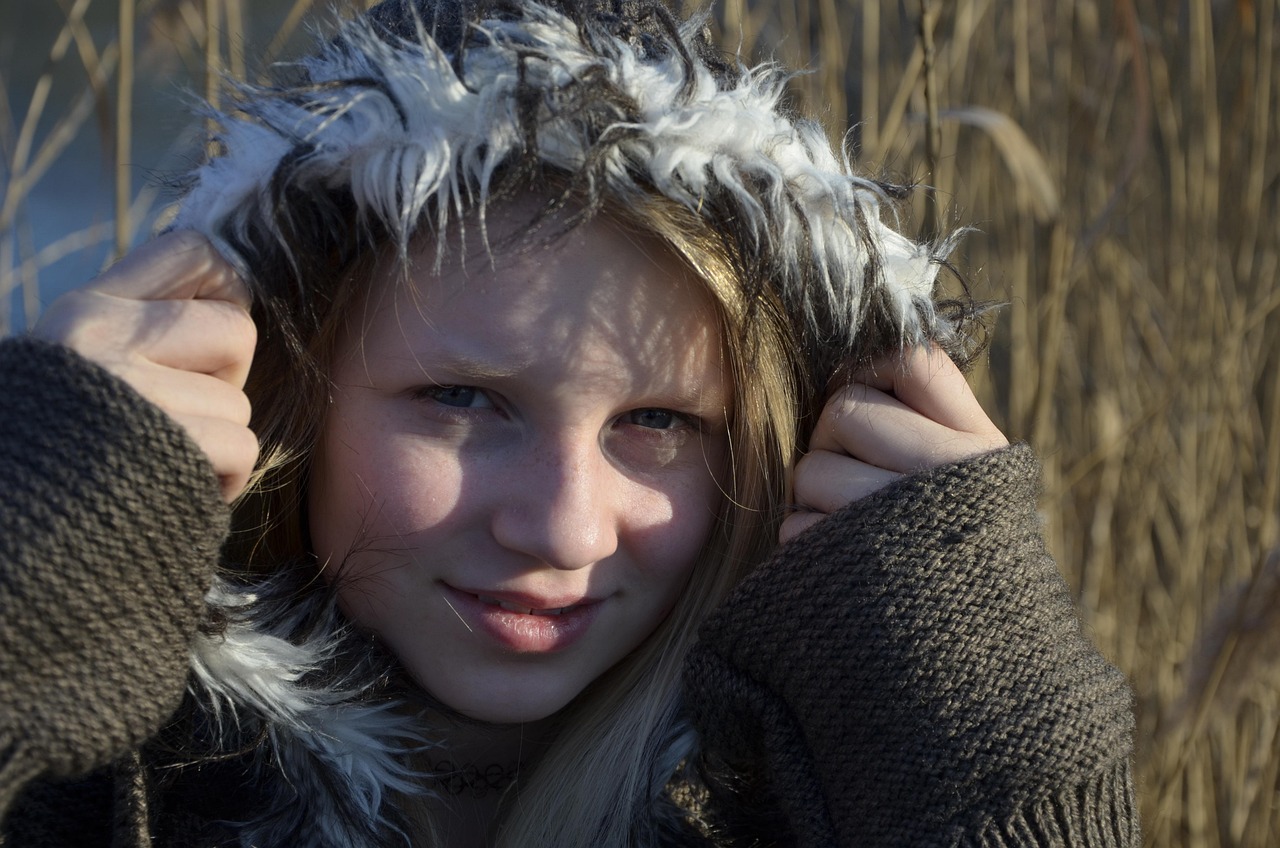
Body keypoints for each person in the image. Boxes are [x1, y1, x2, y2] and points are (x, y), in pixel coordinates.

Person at [0, 0, 1140, 845]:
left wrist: (1002, 769)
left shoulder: (835, 801)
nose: (561, 528)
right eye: (461, 398)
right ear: (282, 387)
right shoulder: (96, 769)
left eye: (659, 421)